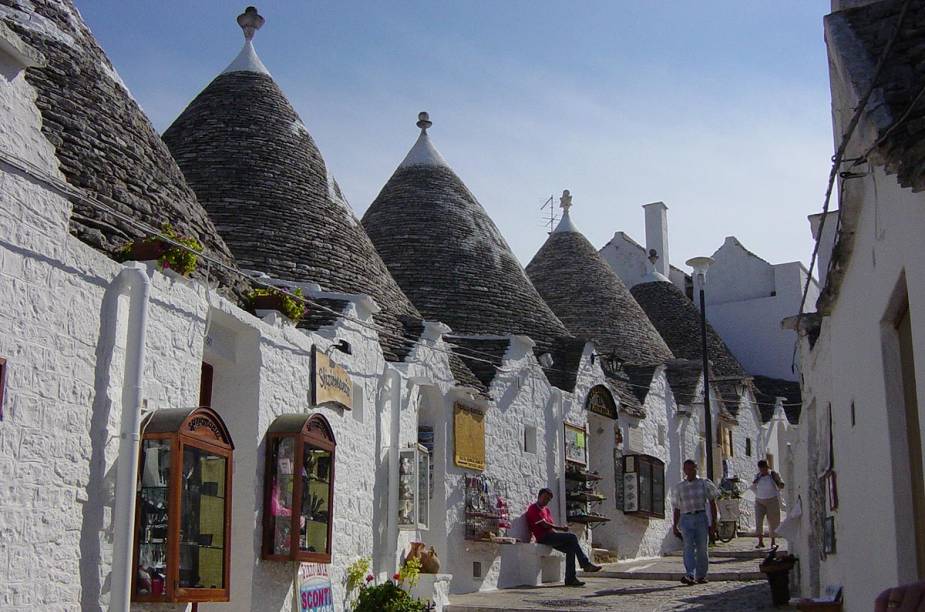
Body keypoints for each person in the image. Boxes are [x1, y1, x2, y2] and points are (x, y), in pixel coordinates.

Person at [525, 487, 602, 586]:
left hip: (551, 536)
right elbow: (544, 525)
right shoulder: (533, 508)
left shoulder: (546, 510)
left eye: (548, 499)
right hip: (543, 538)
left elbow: (550, 526)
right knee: (572, 537)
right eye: (544, 498)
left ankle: (570, 578)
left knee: (571, 548)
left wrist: (559, 533)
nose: (546, 501)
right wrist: (561, 529)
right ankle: (585, 564)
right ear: (539, 496)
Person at [671, 459, 719, 585]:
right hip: (686, 518)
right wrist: (675, 525)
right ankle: (690, 574)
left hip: (700, 517)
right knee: (688, 547)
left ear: (696, 468)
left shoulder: (704, 483)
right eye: (686, 469)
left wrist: (713, 522)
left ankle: (701, 575)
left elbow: (712, 503)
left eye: (691, 469)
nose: (689, 472)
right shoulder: (679, 487)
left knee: (702, 547)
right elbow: (676, 507)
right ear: (684, 470)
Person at [751, 459, 785, 549]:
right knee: (758, 521)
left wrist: (780, 483)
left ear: (767, 467)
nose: (763, 470)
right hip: (759, 500)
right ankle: (760, 542)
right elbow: (753, 485)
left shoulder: (773, 475)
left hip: (772, 500)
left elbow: (781, 484)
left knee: (773, 521)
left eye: (764, 468)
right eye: (761, 469)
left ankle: (773, 541)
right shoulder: (758, 476)